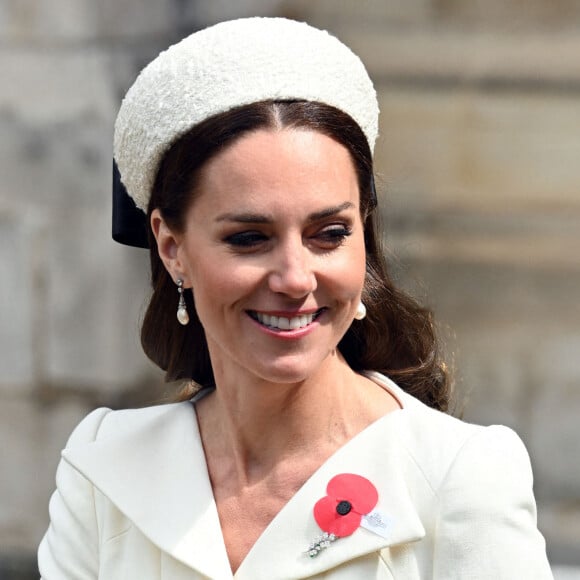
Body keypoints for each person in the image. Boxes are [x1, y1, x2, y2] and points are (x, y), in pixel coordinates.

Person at [38, 17, 553, 579]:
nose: (295, 278)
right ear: (171, 246)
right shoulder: (104, 468)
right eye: (249, 238)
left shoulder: (459, 477)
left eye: (328, 235)